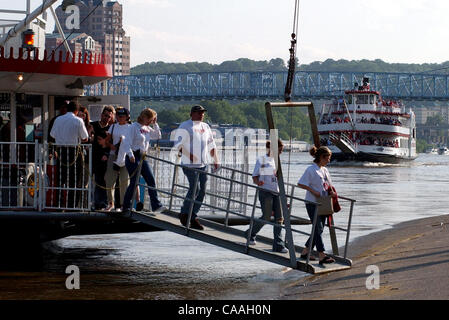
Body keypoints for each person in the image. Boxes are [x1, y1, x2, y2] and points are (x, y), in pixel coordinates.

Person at [175, 105, 219, 230]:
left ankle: (193, 215)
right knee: (195, 188)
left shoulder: (205, 127)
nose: (201, 115)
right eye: (199, 113)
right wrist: (190, 156)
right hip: (189, 164)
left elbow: (211, 144)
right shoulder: (185, 126)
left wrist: (216, 159)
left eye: (202, 113)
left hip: (203, 164)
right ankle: (184, 213)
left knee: (202, 191)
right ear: (192, 114)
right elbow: (178, 144)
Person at [115, 108, 166, 213]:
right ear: (145, 117)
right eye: (150, 119)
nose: (151, 121)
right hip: (134, 156)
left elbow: (157, 135)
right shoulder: (133, 127)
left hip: (143, 157)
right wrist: (130, 154)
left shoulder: (146, 128)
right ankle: (126, 205)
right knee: (134, 182)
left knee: (150, 180)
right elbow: (126, 142)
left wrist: (155, 124)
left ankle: (156, 205)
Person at [244, 139, 287, 253]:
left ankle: (278, 244)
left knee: (279, 218)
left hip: (276, 192)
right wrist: (258, 182)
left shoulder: (277, 161)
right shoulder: (262, 159)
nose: (281, 152)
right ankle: (250, 233)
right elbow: (255, 176)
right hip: (265, 191)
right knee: (267, 216)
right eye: (280, 150)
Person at [297, 146, 336, 264]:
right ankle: (322, 254)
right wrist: (313, 191)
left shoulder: (324, 170)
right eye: (327, 158)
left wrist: (332, 192)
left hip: (323, 203)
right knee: (317, 228)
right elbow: (301, 183)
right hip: (312, 202)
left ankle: (305, 252)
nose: (329, 161)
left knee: (319, 229)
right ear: (321, 157)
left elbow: (327, 185)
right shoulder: (311, 169)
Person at [50, 101, 89, 209]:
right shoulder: (78, 120)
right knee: (75, 180)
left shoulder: (58, 119)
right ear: (76, 111)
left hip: (61, 151)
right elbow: (85, 137)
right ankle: (72, 206)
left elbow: (52, 135)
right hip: (74, 152)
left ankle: (58, 204)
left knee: (60, 179)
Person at [104, 107, 131, 211]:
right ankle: (111, 203)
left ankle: (124, 204)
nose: (119, 118)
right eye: (118, 116)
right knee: (109, 179)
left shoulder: (131, 127)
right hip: (113, 154)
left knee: (124, 181)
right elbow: (107, 141)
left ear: (127, 117)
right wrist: (112, 146)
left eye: (122, 116)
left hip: (126, 156)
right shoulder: (113, 126)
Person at [91, 105, 114, 210]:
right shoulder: (93, 125)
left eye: (109, 116)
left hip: (104, 158)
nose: (106, 118)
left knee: (103, 181)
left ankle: (102, 203)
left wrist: (106, 154)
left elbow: (111, 143)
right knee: (92, 181)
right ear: (101, 115)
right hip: (92, 157)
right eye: (105, 115)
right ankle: (93, 203)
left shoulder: (111, 129)